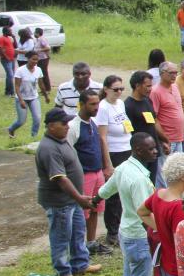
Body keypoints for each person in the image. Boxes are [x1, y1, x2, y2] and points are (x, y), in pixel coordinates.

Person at [96, 133, 157, 276]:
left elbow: (106, 190)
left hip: (125, 232)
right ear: (138, 150)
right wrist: (160, 232)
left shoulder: (123, 168)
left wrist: (94, 200)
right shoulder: (139, 179)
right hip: (139, 235)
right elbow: (144, 213)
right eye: (151, 148)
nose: (155, 151)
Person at [36, 108, 101, 276]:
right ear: (51, 126)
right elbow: (60, 179)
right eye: (63, 123)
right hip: (59, 202)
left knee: (78, 232)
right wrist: (79, 198)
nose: (67, 126)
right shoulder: (48, 148)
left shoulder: (61, 140)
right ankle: (63, 271)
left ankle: (80, 264)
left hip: (72, 200)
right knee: (61, 236)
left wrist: (78, 198)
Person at [67, 89, 110, 253]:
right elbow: (67, 153)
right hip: (83, 175)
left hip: (97, 172)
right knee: (81, 213)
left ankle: (91, 243)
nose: (96, 107)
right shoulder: (73, 126)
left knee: (94, 209)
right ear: (82, 105)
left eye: (97, 103)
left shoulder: (92, 122)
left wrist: (105, 166)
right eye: (92, 104)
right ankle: (78, 247)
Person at [94, 74, 130, 247]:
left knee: (124, 191)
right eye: (115, 89)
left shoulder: (120, 103)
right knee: (113, 194)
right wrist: (107, 164)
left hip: (126, 149)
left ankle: (122, 225)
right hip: (113, 152)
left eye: (121, 89)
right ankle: (112, 231)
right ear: (106, 89)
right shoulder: (103, 107)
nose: (119, 92)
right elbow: (102, 137)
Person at [125, 70, 167, 187]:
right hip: (141, 154)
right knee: (142, 185)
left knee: (151, 184)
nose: (150, 89)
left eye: (151, 86)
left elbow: (154, 122)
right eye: (147, 86)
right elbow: (128, 132)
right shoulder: (128, 106)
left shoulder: (147, 100)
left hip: (153, 150)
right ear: (137, 86)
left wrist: (163, 140)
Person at [152, 61, 184, 154]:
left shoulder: (175, 87)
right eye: (171, 73)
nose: (174, 75)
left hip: (179, 139)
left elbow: (179, 109)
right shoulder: (155, 92)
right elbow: (154, 119)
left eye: (176, 72)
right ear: (162, 73)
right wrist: (164, 139)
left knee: (179, 163)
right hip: (167, 141)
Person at [8, 50, 44, 139]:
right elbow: (17, 87)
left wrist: (46, 95)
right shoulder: (20, 70)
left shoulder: (38, 70)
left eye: (37, 60)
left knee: (37, 118)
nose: (35, 61)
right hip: (21, 98)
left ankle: (33, 136)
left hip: (34, 97)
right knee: (21, 121)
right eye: (33, 59)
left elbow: (41, 83)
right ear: (28, 59)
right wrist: (21, 100)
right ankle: (11, 129)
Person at [33, 27, 52, 98]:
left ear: (38, 33)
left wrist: (39, 50)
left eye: (35, 32)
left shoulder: (42, 39)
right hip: (40, 59)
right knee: (41, 74)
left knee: (44, 73)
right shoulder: (37, 39)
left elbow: (48, 47)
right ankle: (43, 89)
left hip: (43, 58)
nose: (34, 34)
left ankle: (47, 89)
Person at [0, 25, 16, 96]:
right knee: (10, 75)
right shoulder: (1, 38)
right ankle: (11, 91)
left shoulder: (9, 38)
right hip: (6, 60)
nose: (11, 32)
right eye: (10, 31)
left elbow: (15, 46)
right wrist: (6, 57)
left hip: (12, 59)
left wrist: (14, 37)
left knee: (10, 75)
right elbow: (1, 49)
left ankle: (8, 91)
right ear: (5, 31)